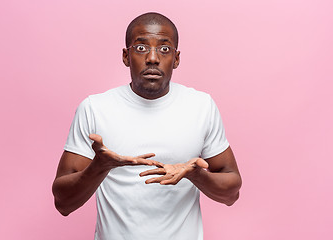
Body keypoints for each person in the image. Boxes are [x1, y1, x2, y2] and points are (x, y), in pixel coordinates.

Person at [52, 12, 242, 240]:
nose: (153, 58)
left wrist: (196, 176)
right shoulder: (95, 108)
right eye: (141, 48)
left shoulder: (201, 106)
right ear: (126, 56)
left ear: (177, 58)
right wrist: (99, 167)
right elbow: (63, 203)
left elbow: (232, 193)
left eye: (164, 49)